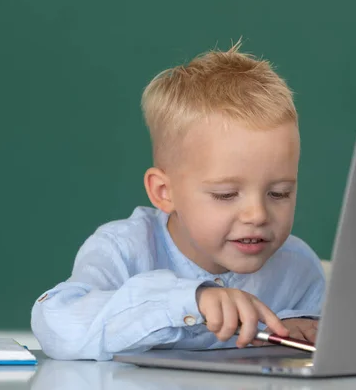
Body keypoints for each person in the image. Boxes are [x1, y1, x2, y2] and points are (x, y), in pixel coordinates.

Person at [31, 41, 326, 360]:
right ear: (164, 192)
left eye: (279, 193)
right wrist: (189, 300)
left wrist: (302, 329)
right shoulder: (123, 250)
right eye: (225, 194)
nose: (257, 214)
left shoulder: (298, 267)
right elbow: (56, 324)